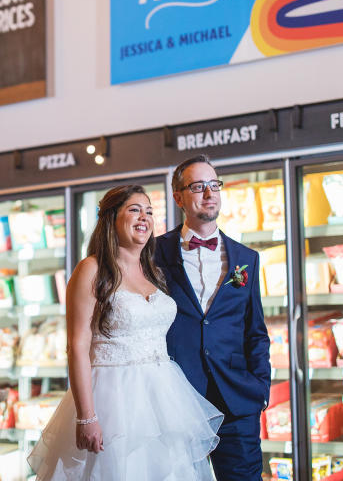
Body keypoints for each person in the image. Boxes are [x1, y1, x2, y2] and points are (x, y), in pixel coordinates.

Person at [28, 184, 223, 480]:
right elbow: (77, 347)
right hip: (112, 399)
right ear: (110, 218)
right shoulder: (91, 270)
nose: (144, 217)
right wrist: (87, 417)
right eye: (134, 210)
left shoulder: (153, 272)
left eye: (149, 211)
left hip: (162, 399)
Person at [154, 155, 271, 481]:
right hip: (177, 398)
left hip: (236, 400)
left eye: (214, 185)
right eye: (198, 186)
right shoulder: (153, 254)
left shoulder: (246, 258)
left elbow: (256, 331)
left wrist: (260, 387)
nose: (209, 194)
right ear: (178, 197)